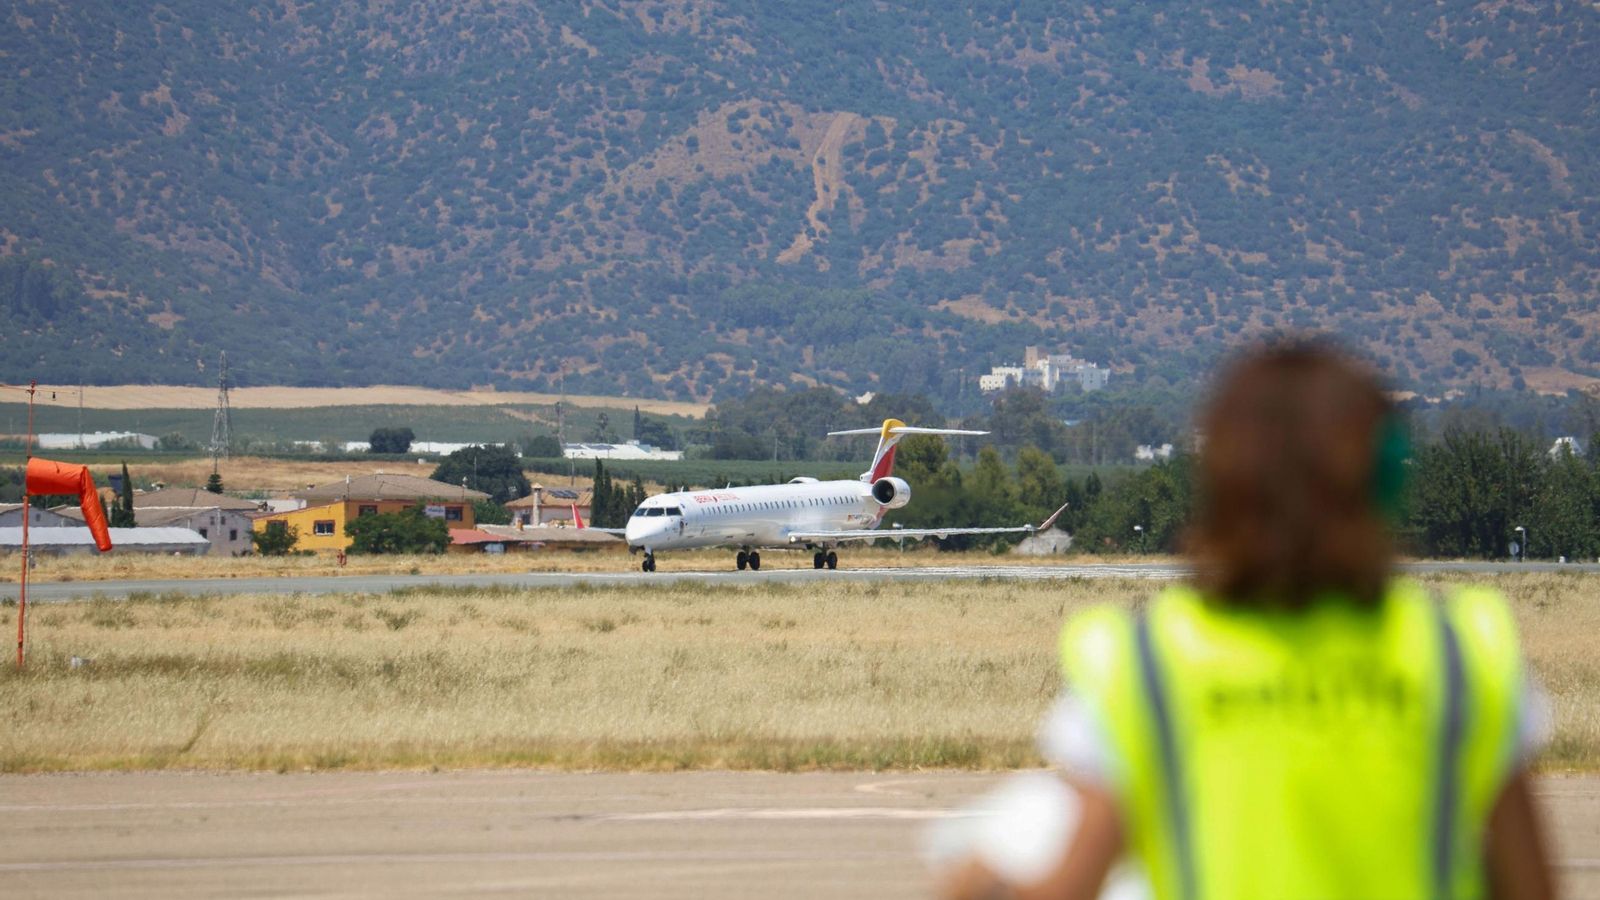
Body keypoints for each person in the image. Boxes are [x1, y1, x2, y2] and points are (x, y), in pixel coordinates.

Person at [934, 341, 1555, 900]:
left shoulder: (1147, 661)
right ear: (1384, 482)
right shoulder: (1460, 653)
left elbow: (1071, 887)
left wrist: (978, 884)